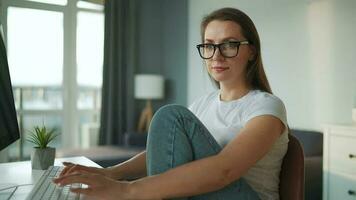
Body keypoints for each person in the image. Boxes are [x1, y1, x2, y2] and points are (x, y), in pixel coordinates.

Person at [54, 7, 289, 200]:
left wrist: (127, 190)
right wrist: (111, 173)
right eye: (208, 45)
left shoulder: (267, 107)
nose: (216, 55)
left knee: (170, 116)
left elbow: (223, 170)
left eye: (228, 44)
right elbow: (165, 152)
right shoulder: (203, 104)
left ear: (251, 51)